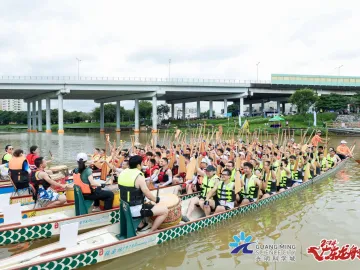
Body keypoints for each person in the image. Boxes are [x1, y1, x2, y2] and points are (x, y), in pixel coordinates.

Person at [118, 155, 168, 232]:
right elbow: (147, 193)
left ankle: (142, 224)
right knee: (164, 210)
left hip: (123, 208)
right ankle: (152, 231)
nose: (143, 165)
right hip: (135, 210)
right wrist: (156, 200)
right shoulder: (138, 176)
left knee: (148, 203)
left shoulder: (122, 173)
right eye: (142, 163)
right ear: (138, 165)